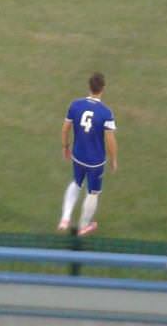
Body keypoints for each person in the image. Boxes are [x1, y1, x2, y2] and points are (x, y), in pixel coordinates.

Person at [58, 71, 117, 236]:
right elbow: (110, 140)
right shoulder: (106, 112)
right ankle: (83, 226)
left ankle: (65, 217)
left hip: (78, 155)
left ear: (89, 87)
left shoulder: (75, 105)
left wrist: (65, 147)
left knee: (76, 183)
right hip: (95, 161)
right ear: (103, 89)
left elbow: (65, 129)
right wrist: (113, 159)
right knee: (93, 192)